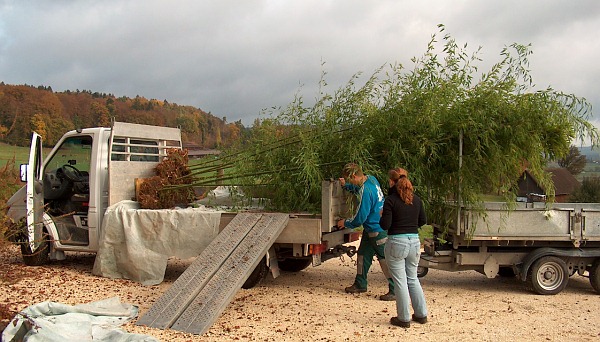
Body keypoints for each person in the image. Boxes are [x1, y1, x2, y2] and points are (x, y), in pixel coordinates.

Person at [336, 163, 395, 301]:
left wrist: (345, 222)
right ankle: (360, 283)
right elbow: (357, 188)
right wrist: (347, 186)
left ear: (355, 176)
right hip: (371, 229)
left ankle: (395, 289)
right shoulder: (371, 179)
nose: (351, 182)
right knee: (362, 255)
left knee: (385, 260)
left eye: (350, 180)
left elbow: (360, 217)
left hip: (377, 230)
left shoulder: (366, 191)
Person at [380, 167, 428, 328]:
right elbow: (423, 220)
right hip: (414, 241)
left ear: (392, 182)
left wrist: (382, 215)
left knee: (400, 281)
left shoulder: (390, 200)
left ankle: (404, 317)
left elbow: (385, 225)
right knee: (412, 278)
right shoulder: (417, 200)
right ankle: (421, 314)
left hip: (397, 242)